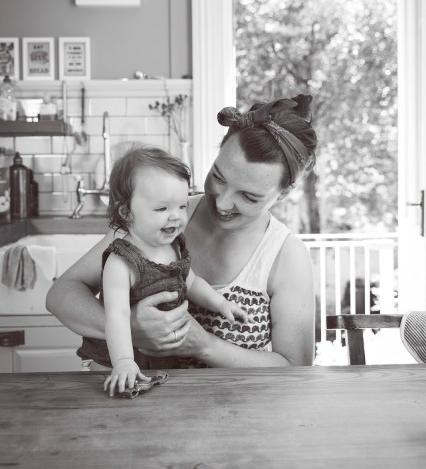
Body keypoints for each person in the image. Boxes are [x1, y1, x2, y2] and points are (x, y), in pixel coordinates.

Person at [47, 94, 318, 369]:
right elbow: (61, 295)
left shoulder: (286, 255)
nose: (222, 203)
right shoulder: (160, 217)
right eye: (218, 177)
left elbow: (296, 368)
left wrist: (205, 346)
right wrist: (128, 328)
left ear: (283, 193)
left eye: (249, 197)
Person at [77, 145, 250, 395]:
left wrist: (220, 304)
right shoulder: (121, 261)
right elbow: (117, 316)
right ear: (126, 212)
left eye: (182, 206)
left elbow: (191, 282)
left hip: (160, 359)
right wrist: (123, 361)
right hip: (112, 363)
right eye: (161, 209)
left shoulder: (174, 246)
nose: (176, 217)